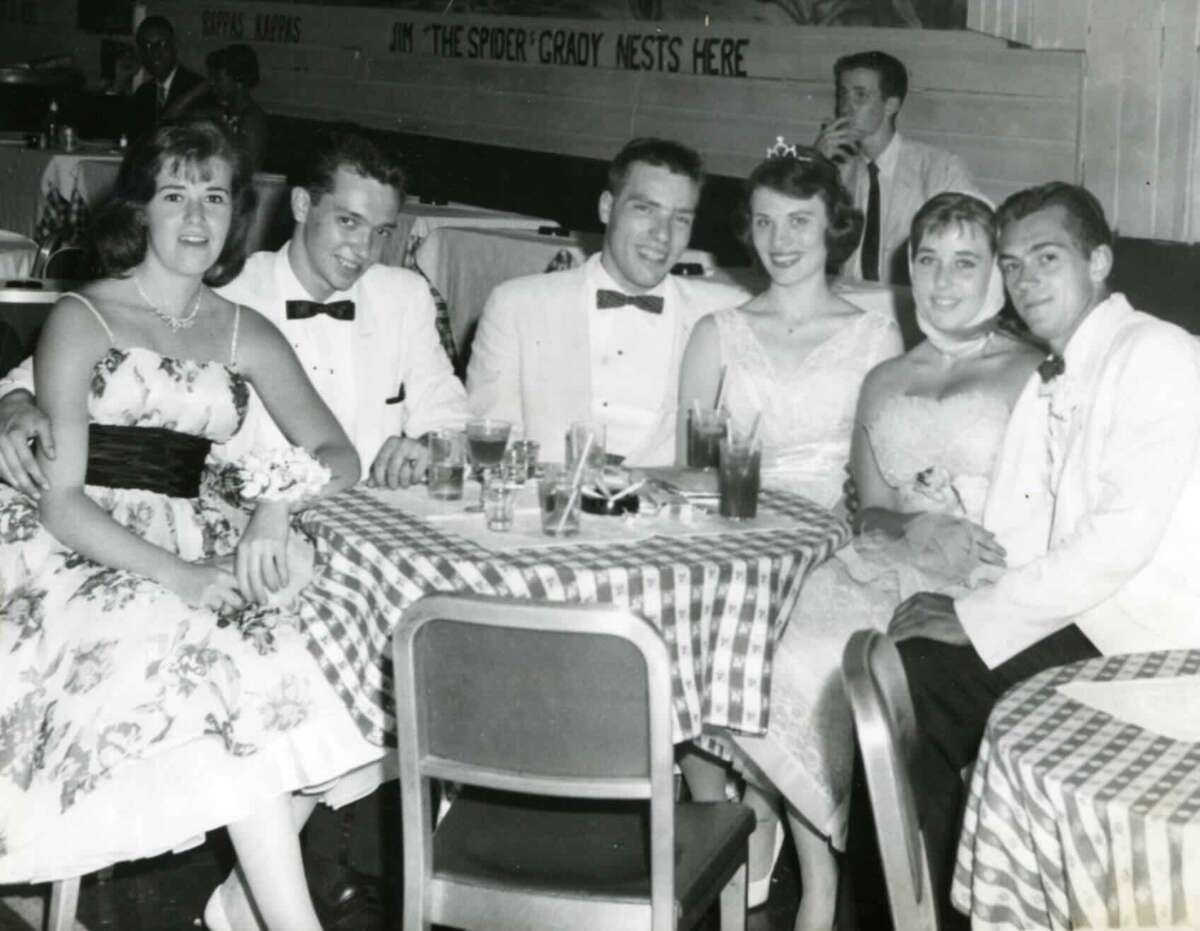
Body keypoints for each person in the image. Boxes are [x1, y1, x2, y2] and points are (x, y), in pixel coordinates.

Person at [0, 126, 468, 923]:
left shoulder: (242, 327)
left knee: (313, 647)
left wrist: (277, 504)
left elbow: (336, 452)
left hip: (198, 530)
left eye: (214, 197)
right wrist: (179, 575)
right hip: (76, 546)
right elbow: (61, 500)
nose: (195, 218)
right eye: (175, 196)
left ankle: (252, 912)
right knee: (227, 669)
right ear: (141, 209)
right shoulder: (83, 315)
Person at [849, 182, 1200, 930]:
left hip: (1160, 651)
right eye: (1012, 265)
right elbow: (1020, 525)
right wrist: (957, 589)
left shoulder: (1158, 354)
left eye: (1047, 258)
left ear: (1100, 259)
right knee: (902, 671)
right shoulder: (1056, 372)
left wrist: (974, 618)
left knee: (921, 678)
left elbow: (1117, 543)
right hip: (1095, 629)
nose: (1026, 280)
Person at [692, 190, 1041, 930]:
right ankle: (820, 883)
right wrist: (911, 526)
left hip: (990, 575)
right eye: (928, 261)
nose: (943, 281)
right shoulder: (884, 378)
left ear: (998, 276)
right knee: (783, 655)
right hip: (887, 559)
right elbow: (869, 508)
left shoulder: (1034, 371)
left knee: (867, 676)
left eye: (965, 262)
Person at [466, 137, 748, 466]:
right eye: (645, 209)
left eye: (680, 218)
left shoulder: (725, 312)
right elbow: (491, 441)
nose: (663, 234)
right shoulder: (517, 304)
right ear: (606, 208)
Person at [676, 144, 902, 507]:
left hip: (841, 534)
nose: (779, 241)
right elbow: (691, 475)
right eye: (765, 222)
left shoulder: (878, 338)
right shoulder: (713, 334)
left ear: (833, 225)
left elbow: (887, 477)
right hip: (738, 527)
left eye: (798, 221)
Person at [815, 50, 979, 284]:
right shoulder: (838, 171)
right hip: (851, 299)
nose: (845, 107)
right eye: (843, 94)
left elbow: (970, 247)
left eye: (860, 95)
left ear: (891, 104)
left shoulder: (940, 169)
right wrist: (816, 165)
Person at [129, 16, 205, 137]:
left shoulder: (196, 89)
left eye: (161, 44)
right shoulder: (143, 94)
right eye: (146, 46)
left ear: (174, 45)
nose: (154, 53)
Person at [198, 45, 269, 172]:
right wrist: (198, 90)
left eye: (217, 79)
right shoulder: (220, 112)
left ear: (239, 81)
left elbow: (248, 169)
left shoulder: (252, 119)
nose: (211, 83)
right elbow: (170, 119)